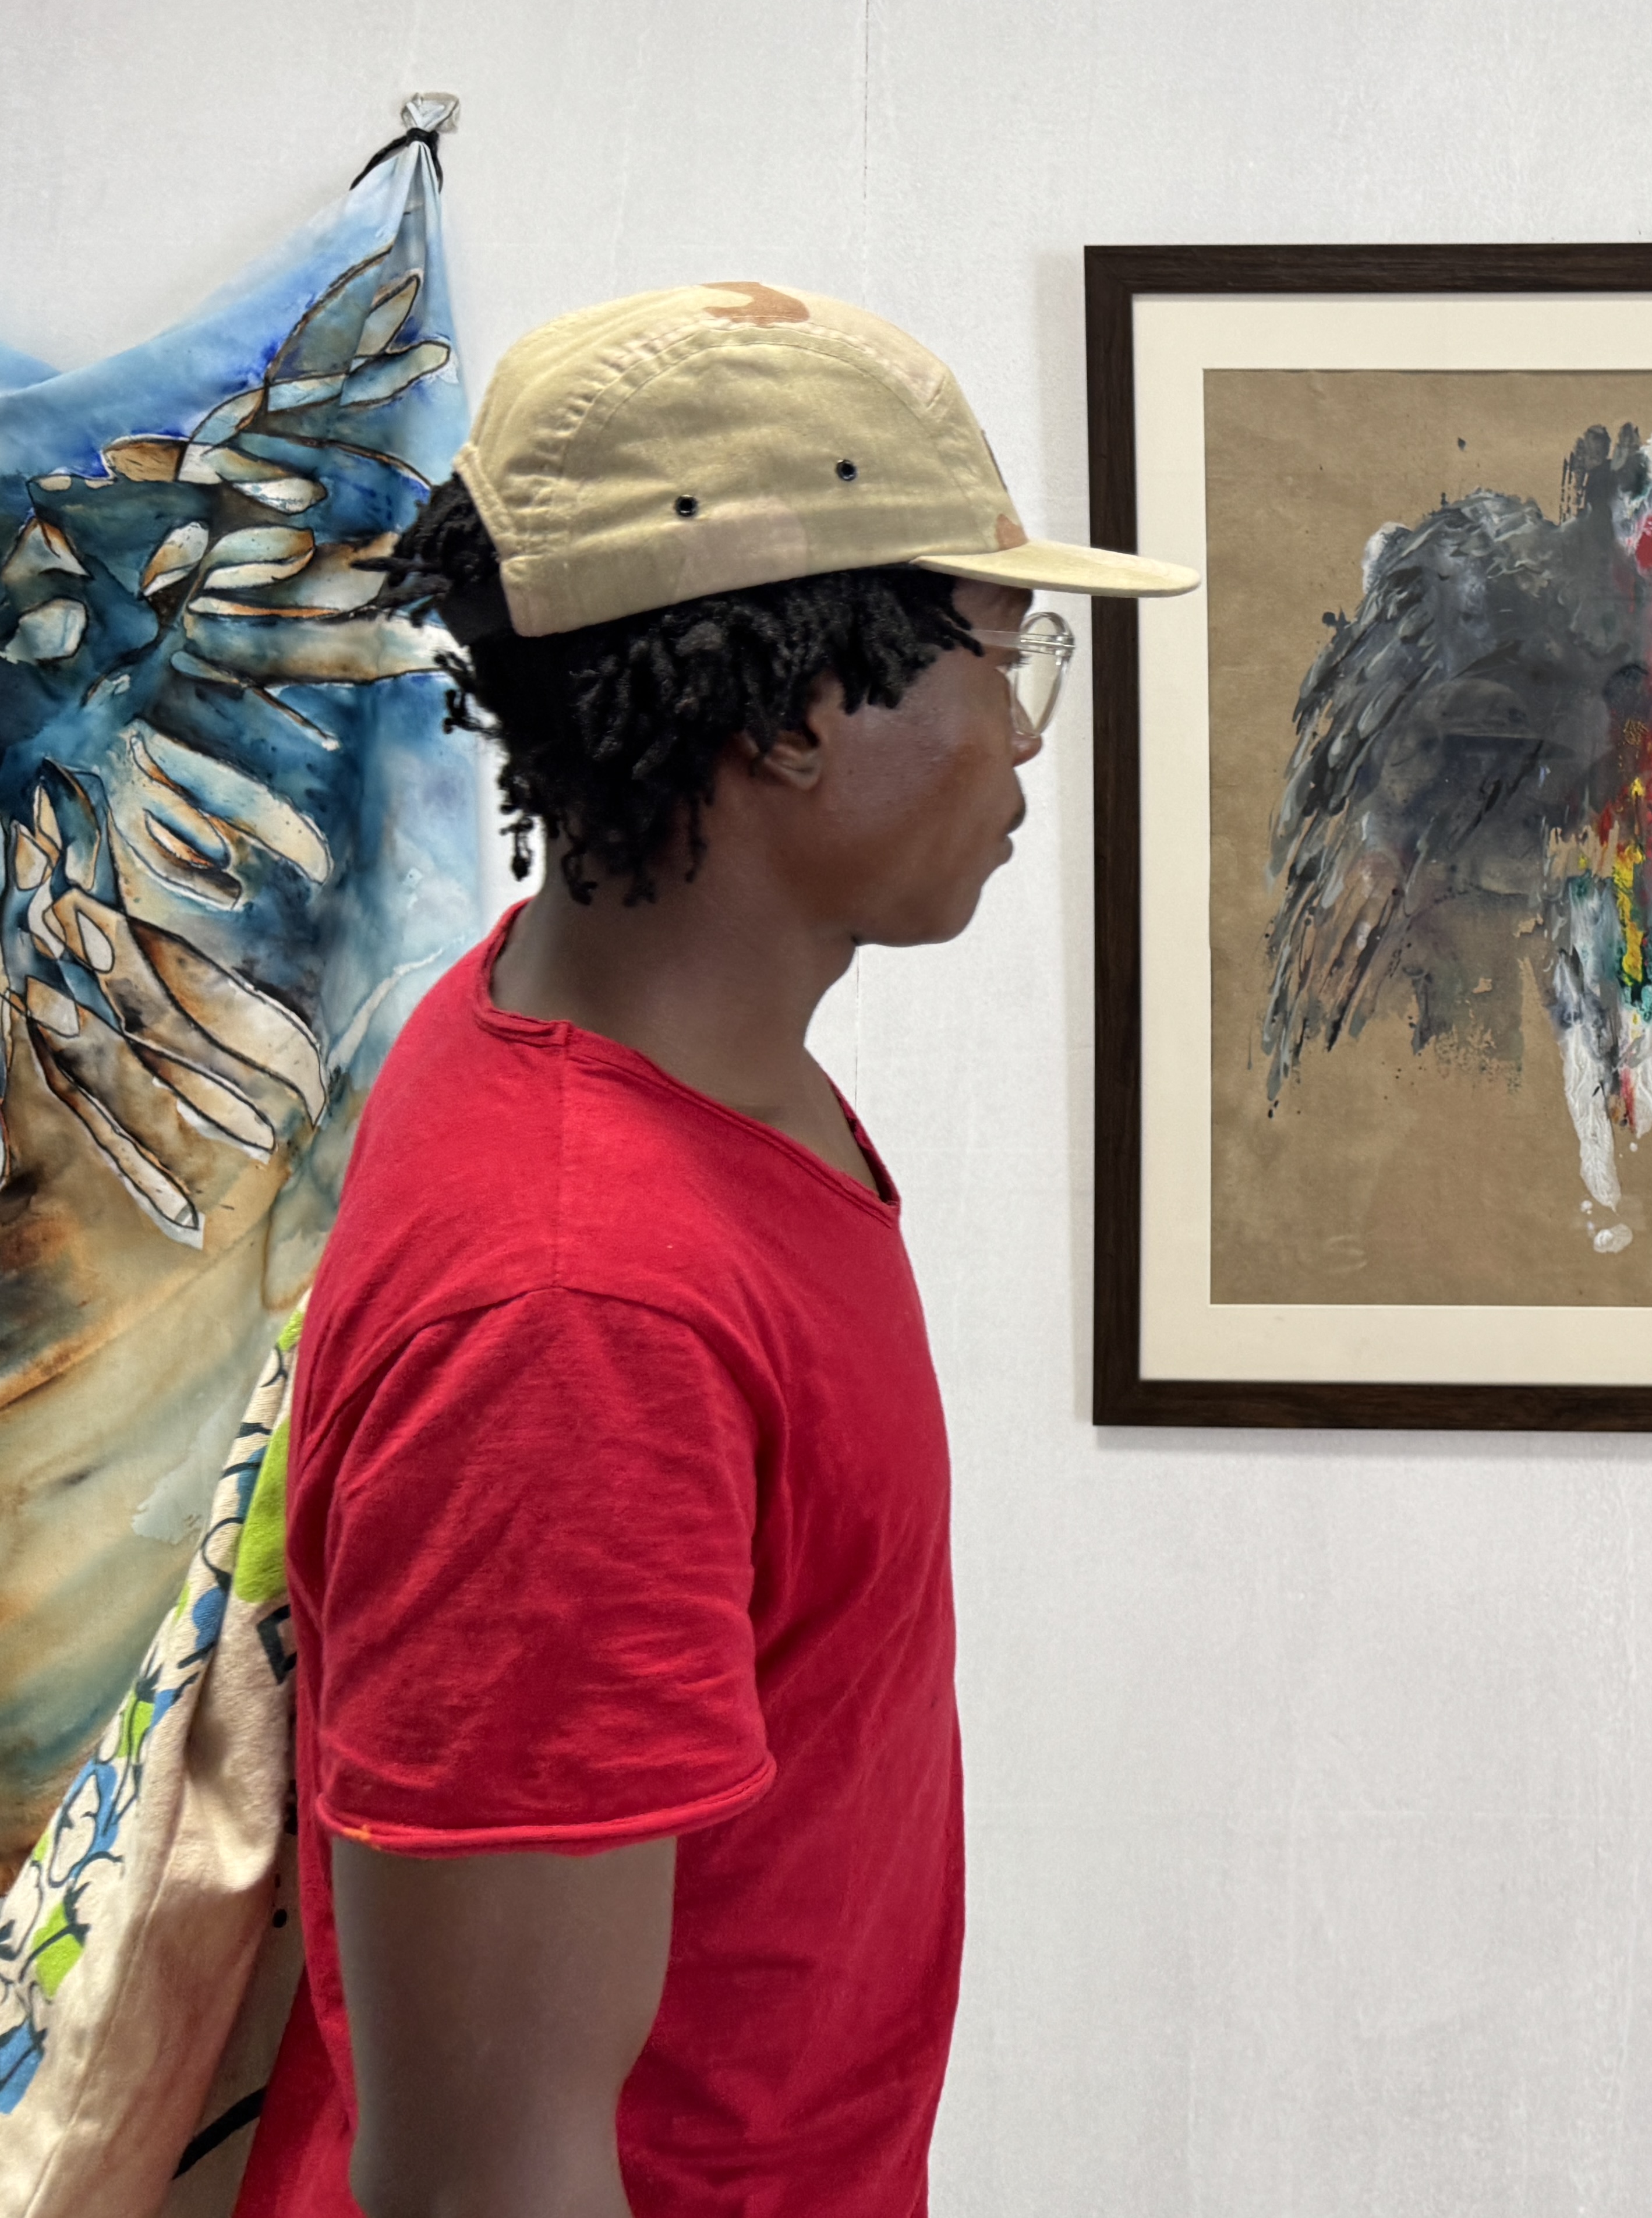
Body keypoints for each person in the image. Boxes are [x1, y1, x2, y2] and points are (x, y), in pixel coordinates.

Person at [232, 282, 1193, 2218]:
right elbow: (486, 2183)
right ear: (787, 715)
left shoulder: (652, 1071)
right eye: (1000, 653)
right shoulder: (579, 1316)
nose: (1024, 738)